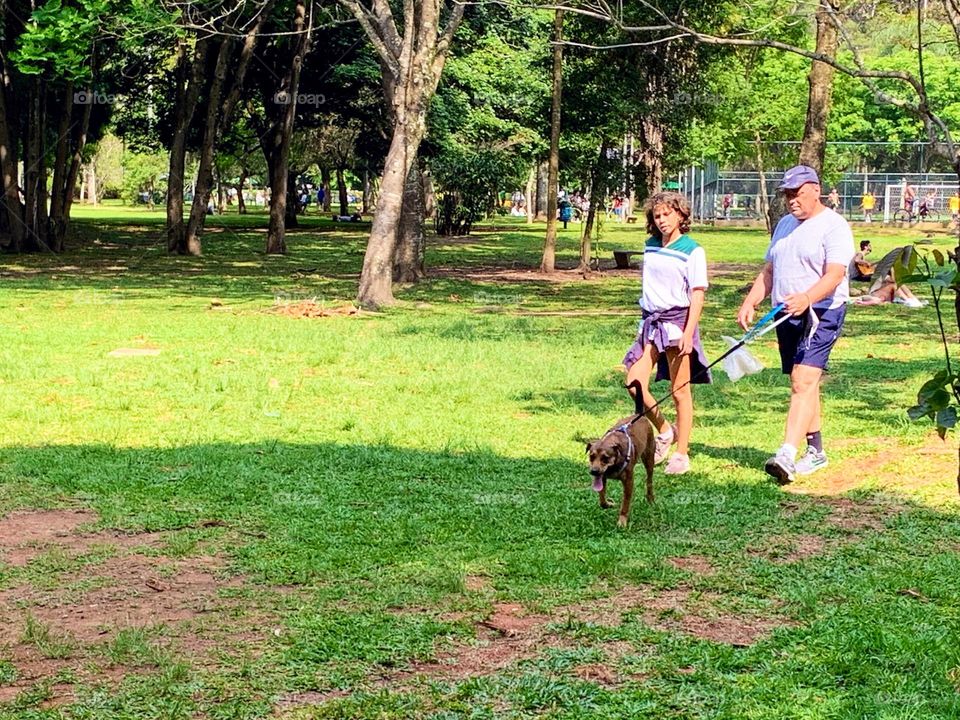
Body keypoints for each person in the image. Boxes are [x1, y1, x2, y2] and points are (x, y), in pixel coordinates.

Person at [737, 165, 855, 484]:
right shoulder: (785, 225)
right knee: (802, 381)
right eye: (788, 194)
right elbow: (770, 270)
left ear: (816, 190)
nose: (792, 200)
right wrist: (751, 300)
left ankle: (786, 454)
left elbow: (835, 274)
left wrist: (807, 297)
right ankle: (816, 451)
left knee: (803, 380)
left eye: (798, 193)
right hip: (786, 312)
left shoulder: (834, 226)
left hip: (822, 311)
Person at [622, 191, 711, 476]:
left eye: (667, 214)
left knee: (679, 391)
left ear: (681, 215)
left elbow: (697, 294)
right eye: (657, 215)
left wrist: (688, 332)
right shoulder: (650, 246)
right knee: (634, 382)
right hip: (651, 325)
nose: (662, 220)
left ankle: (681, 453)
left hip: (677, 324)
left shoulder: (692, 250)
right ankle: (665, 430)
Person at [853, 272, 924, 308]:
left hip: (882, 295)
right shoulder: (883, 275)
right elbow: (894, 280)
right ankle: (908, 300)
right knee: (894, 285)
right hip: (876, 295)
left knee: (900, 284)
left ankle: (912, 299)